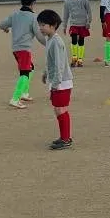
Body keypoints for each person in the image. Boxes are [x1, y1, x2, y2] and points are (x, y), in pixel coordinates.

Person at [37, 9, 75, 150]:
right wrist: (46, 73)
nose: (40, 28)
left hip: (62, 82)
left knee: (61, 109)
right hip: (57, 81)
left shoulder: (56, 42)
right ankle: (64, 136)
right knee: (58, 109)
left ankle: (66, 139)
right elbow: (50, 61)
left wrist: (56, 83)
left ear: (53, 26)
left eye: (43, 25)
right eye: (39, 25)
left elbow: (59, 64)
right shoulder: (49, 40)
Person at [0, 0, 39, 110]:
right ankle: (15, 98)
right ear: (33, 3)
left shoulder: (14, 15)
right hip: (24, 50)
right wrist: (48, 43)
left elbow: (1, 25)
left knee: (30, 68)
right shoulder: (33, 17)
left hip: (16, 49)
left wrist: (6, 28)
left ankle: (24, 93)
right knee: (25, 73)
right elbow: (38, 33)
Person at [62, 0, 93, 68]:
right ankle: (74, 57)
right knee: (74, 39)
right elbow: (66, 15)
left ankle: (80, 59)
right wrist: (64, 26)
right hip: (73, 24)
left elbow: (89, 12)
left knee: (81, 41)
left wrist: (88, 21)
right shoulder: (67, 2)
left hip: (83, 24)